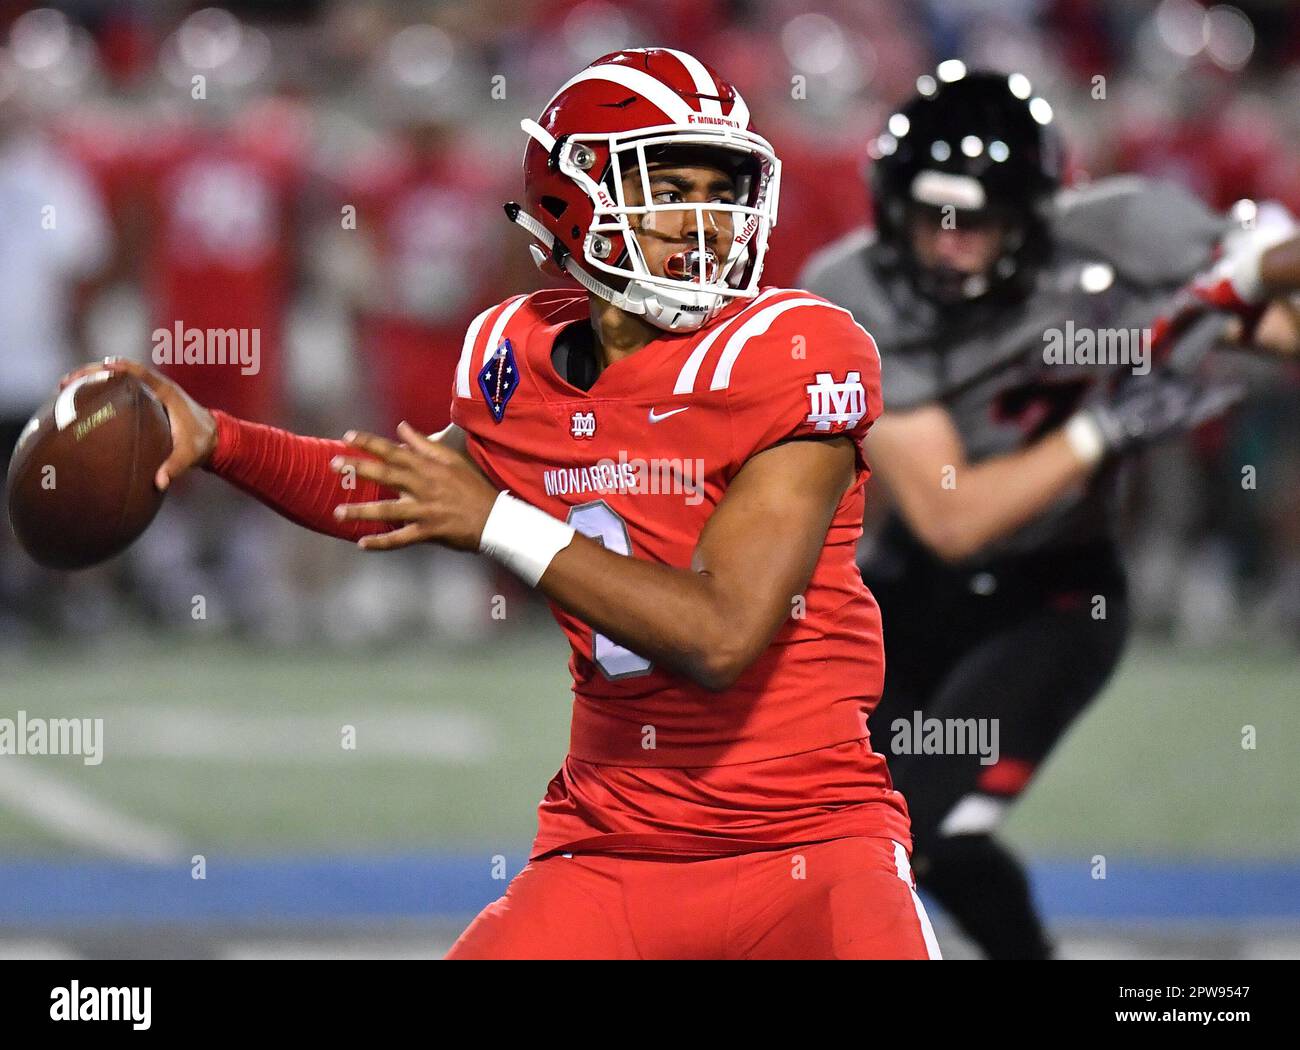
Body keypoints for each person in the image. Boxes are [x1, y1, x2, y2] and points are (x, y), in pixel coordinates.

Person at [61, 48, 938, 959]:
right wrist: (219, 440)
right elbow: (390, 490)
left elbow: (720, 633)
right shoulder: (515, 361)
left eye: (724, 191)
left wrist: (497, 520)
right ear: (576, 199)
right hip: (614, 848)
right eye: (670, 186)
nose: (707, 222)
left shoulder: (791, 351)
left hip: (811, 848)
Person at [800, 67, 1300, 958]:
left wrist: (1248, 287)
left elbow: (1274, 326)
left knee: (892, 831)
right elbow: (950, 514)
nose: (947, 247)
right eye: (929, 217)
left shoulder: (1124, 234)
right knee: (847, 819)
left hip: (1054, 597)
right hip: (912, 582)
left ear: (1032, 216)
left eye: (976, 222)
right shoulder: (854, 291)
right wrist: (1106, 427)